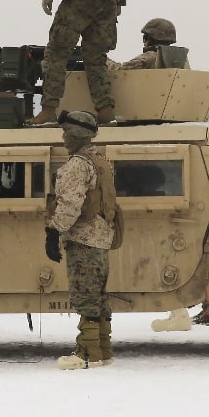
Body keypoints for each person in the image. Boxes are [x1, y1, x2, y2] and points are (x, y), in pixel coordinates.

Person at [45, 110, 121, 369]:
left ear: (77, 135)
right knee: (98, 295)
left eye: (67, 132)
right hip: (101, 239)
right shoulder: (101, 161)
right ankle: (103, 350)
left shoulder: (77, 164)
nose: (64, 137)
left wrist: (53, 230)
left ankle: (87, 354)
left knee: (85, 294)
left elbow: (69, 204)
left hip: (83, 239)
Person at [108, 18, 191, 71]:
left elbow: (119, 71)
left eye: (145, 38)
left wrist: (102, 60)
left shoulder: (150, 57)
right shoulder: (182, 61)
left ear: (150, 39)